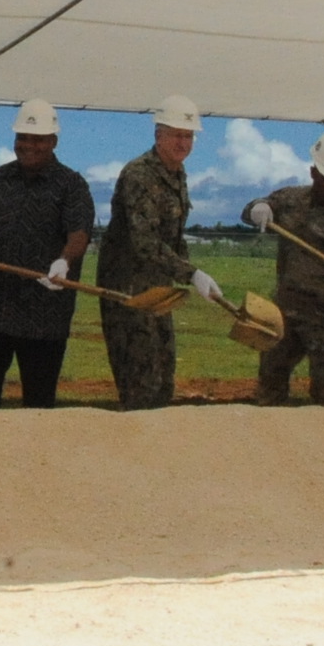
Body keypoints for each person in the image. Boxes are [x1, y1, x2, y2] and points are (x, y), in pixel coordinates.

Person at [0, 100, 94, 409]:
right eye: (23, 138)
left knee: (39, 405)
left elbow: (79, 234)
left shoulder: (72, 185)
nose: (28, 145)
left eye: (38, 139)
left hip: (46, 318)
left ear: (53, 141)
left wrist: (64, 262)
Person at [97, 95, 224, 411]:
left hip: (158, 290)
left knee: (164, 377)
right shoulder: (140, 175)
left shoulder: (178, 175)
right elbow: (145, 242)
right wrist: (191, 274)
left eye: (188, 135)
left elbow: (173, 237)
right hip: (129, 292)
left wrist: (191, 273)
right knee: (141, 384)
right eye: (177, 134)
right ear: (159, 135)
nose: (183, 142)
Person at [244, 129, 324, 407]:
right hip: (287, 312)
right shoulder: (291, 200)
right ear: (313, 172)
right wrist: (259, 207)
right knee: (270, 383)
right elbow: (250, 211)